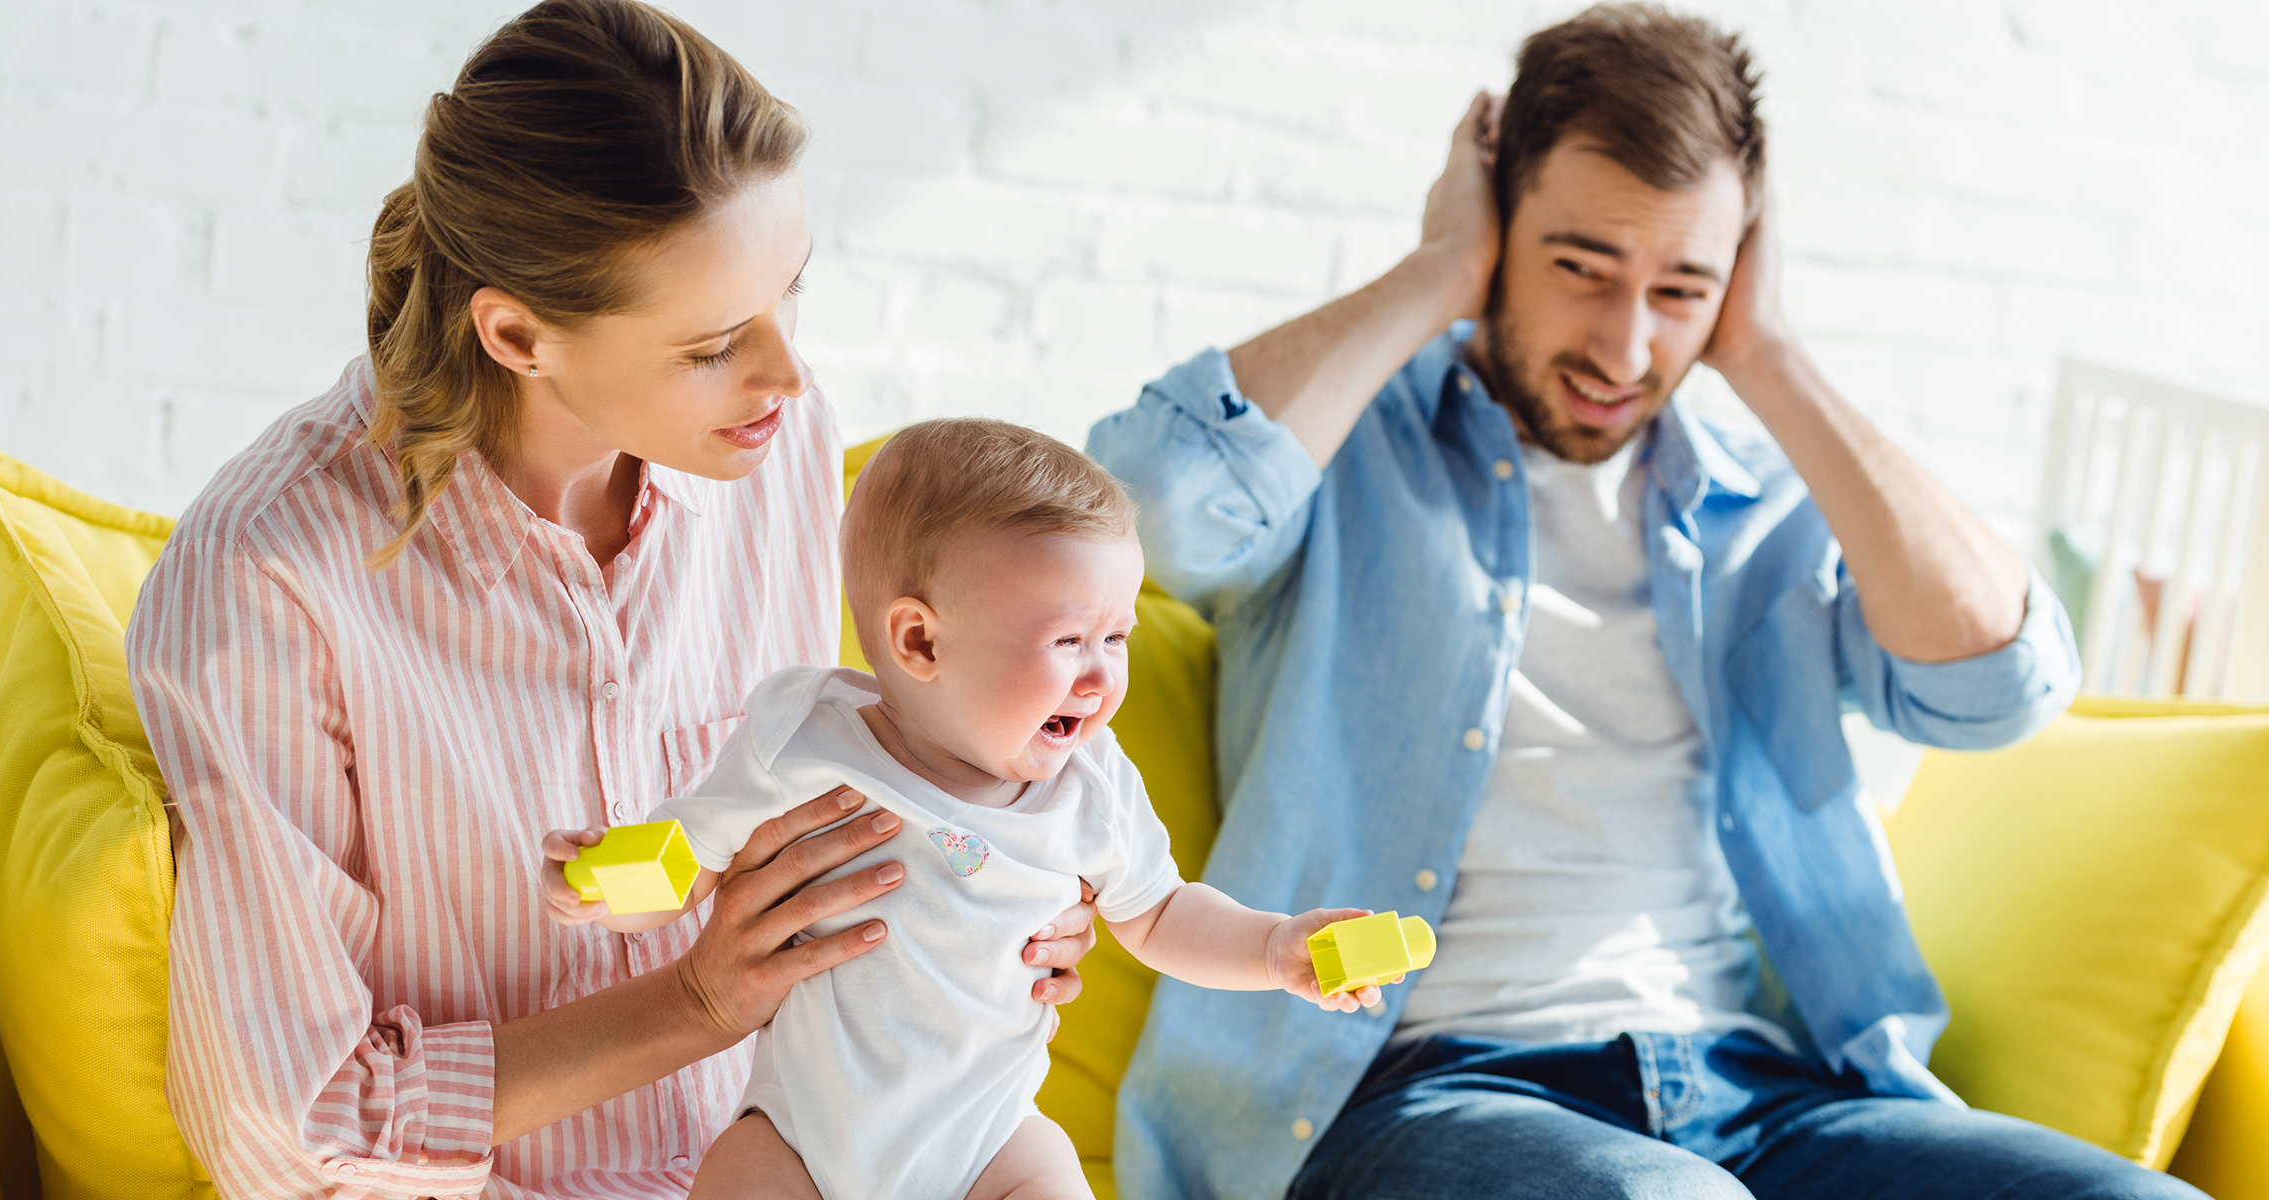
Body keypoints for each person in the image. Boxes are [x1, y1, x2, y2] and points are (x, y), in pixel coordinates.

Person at [1089, 5, 2199, 1199]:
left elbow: (1998, 688)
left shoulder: (1765, 504)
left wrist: (1769, 354)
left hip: (1768, 1096)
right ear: (1499, 221)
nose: (1625, 346)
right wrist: (1433, 278)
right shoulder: (1348, 447)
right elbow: (1142, 514)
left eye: (1682, 287)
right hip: (1434, 1096)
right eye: (1580, 266)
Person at [125, 4, 1096, 1196]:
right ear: (519, 333)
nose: (788, 374)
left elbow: (836, 794)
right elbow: (291, 1128)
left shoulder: (777, 449)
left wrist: (986, 915)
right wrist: (689, 1003)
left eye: (791, 293)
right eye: (711, 344)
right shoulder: (267, 579)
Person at [540, 419, 1406, 1200]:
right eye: (1069, 640)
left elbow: (1165, 912)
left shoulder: (1091, 786)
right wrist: (607, 885)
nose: (1102, 675)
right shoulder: (804, 736)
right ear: (920, 640)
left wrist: (1275, 948)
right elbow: (690, 861)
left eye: (1117, 637)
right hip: (799, 1146)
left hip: (992, 1147)